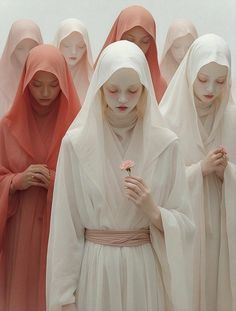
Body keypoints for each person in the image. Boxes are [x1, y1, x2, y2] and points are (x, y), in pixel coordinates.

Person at [47, 40, 194, 311]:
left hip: (144, 271)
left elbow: (186, 225)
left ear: (145, 89)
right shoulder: (76, 144)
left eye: (133, 90)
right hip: (96, 270)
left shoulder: (166, 143)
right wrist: (64, 297)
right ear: (100, 88)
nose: (123, 99)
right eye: (113, 90)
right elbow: (66, 226)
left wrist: (154, 211)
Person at [0, 44, 80, 311]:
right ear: (25, 83)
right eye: (37, 84)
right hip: (19, 232)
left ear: (65, 85)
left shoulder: (77, 128)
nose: (45, 93)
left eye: (53, 85)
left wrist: (57, 180)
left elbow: (91, 182)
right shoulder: (6, 127)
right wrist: (15, 181)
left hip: (62, 229)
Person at [160, 34, 236, 311]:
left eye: (220, 81)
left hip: (223, 227)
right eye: (203, 79)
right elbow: (157, 182)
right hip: (185, 226)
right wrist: (198, 170)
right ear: (191, 72)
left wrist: (226, 173)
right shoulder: (166, 119)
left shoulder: (232, 118)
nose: (211, 89)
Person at [95, 5, 166, 103]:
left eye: (145, 41)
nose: (136, 47)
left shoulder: (159, 86)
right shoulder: (98, 80)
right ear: (118, 36)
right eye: (129, 40)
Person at [0, 19, 43, 117]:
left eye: (32, 48)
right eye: (20, 48)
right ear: (12, 49)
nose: (27, 54)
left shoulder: (48, 77)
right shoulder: (2, 82)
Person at [54, 18, 93, 104]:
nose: (73, 52)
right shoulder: (48, 76)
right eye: (67, 45)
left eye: (80, 46)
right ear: (58, 44)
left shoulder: (92, 82)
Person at [160, 19, 198, 84]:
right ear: (169, 46)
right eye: (177, 47)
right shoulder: (159, 74)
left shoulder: (201, 73)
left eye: (189, 47)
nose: (183, 53)